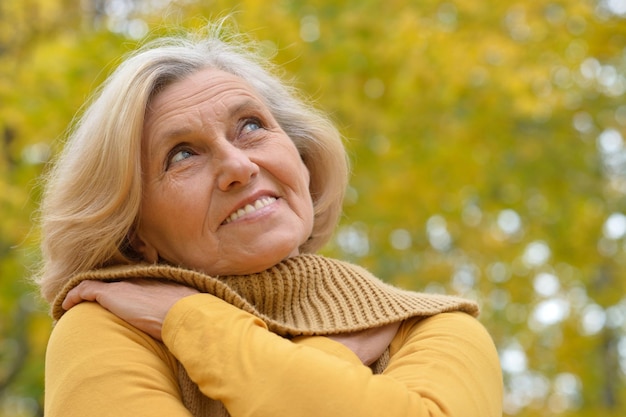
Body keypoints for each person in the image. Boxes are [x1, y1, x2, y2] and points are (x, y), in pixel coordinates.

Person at [36, 21, 503, 417]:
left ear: (302, 158)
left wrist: (191, 320)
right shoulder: (104, 328)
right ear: (134, 234)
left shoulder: (438, 329)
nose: (239, 166)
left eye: (252, 126)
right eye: (182, 155)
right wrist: (331, 355)